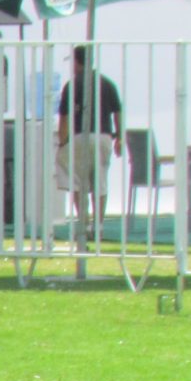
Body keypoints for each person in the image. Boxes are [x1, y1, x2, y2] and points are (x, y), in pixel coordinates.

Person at [56, 45, 123, 246]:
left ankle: (83, 224)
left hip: (79, 138)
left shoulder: (72, 85)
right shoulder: (107, 84)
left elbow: (64, 117)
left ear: (77, 62)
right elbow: (118, 113)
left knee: (77, 181)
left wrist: (62, 142)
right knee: (100, 181)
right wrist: (119, 137)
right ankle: (99, 226)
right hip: (103, 136)